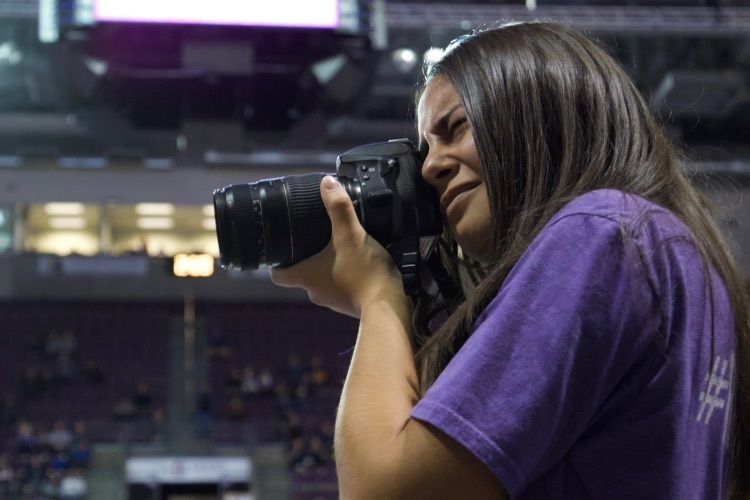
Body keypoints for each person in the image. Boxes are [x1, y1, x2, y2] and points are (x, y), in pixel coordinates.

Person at [269, 21, 750, 499]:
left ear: (539, 112)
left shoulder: (602, 233)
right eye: (426, 149)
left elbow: (383, 491)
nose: (432, 167)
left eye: (455, 128)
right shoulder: (674, 254)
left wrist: (376, 294)